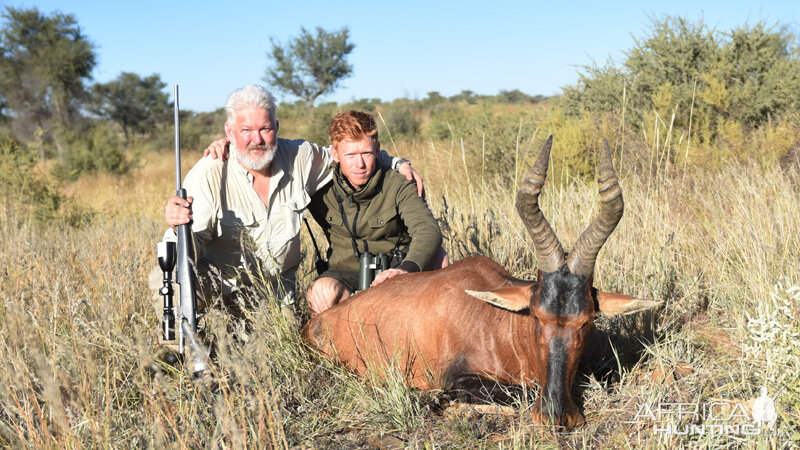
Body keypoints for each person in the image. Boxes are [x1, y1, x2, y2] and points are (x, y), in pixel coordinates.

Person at [150, 85, 422, 330]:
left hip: (279, 303)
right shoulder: (209, 172)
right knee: (167, 279)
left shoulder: (300, 157)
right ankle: (178, 351)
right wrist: (178, 224)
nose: (256, 139)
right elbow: (185, 250)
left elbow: (350, 152)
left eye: (264, 129)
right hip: (223, 295)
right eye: (246, 130)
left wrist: (396, 162)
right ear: (229, 132)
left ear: (276, 127)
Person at [305, 111, 448, 315]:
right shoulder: (319, 187)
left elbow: (428, 230)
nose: (360, 164)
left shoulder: (398, 182)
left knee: (439, 258)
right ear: (335, 155)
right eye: (350, 155)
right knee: (321, 292)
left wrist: (405, 269)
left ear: (378, 151)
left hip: (396, 269)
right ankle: (331, 346)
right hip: (345, 272)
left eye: (366, 153)